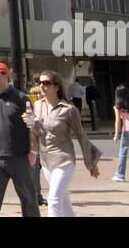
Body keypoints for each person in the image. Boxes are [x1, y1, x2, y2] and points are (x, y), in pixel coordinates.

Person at [34, 70, 100, 216]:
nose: (41, 86)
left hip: (64, 159)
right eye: (40, 83)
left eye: (46, 83)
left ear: (56, 87)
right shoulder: (38, 105)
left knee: (53, 199)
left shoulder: (69, 110)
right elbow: (38, 132)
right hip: (46, 160)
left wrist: (91, 162)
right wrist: (31, 124)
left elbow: (81, 135)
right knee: (63, 201)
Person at [0, 62, 40, 216]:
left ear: (6, 76)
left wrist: (33, 151)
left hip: (19, 157)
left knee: (27, 198)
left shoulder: (20, 98)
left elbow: (31, 126)